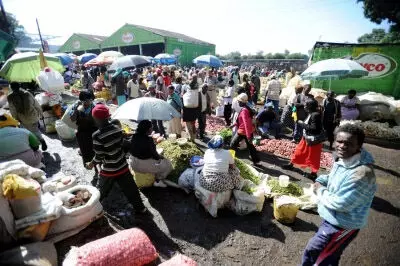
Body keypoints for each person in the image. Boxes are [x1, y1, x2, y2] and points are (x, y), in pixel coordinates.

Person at [302, 124, 376, 266]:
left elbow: (340, 204)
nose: (342, 146)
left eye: (348, 143)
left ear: (359, 146)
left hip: (343, 224)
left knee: (317, 253)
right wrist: (320, 180)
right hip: (333, 218)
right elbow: (332, 176)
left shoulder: (362, 174)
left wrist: (319, 190)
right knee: (328, 255)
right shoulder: (344, 158)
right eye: (339, 141)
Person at [86, 104, 147, 214]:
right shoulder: (117, 129)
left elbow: (99, 157)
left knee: (101, 191)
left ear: (96, 119)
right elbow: (122, 146)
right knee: (131, 190)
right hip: (122, 166)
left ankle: (92, 211)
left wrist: (91, 164)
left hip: (109, 170)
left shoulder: (96, 136)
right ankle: (141, 208)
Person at [283, 99, 323, 180]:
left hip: (313, 141)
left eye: (306, 105)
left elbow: (314, 128)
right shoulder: (311, 113)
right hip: (306, 138)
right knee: (298, 152)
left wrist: (301, 123)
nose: (304, 106)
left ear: (310, 106)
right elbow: (297, 105)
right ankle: (291, 165)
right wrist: (295, 108)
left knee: (313, 157)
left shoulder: (315, 115)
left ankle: (313, 174)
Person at [129, 120, 173, 187]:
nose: (152, 129)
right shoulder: (148, 140)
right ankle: (158, 180)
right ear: (148, 129)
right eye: (151, 128)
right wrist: (162, 157)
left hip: (133, 162)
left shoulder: (134, 136)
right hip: (143, 164)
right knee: (168, 164)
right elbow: (155, 156)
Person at [7, 82, 47, 151]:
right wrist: (41, 113)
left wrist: (16, 119)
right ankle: (41, 140)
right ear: (19, 86)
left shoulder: (10, 97)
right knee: (35, 130)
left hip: (22, 118)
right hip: (33, 115)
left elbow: (13, 110)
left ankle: (34, 145)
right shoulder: (27, 93)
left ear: (11, 88)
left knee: (27, 132)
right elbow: (36, 104)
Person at [230, 93, 260, 165]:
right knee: (251, 147)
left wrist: (248, 136)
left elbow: (246, 124)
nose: (238, 102)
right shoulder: (247, 109)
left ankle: (230, 160)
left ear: (242, 102)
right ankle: (256, 161)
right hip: (248, 131)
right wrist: (234, 125)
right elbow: (243, 121)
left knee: (232, 144)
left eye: (239, 101)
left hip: (243, 131)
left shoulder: (244, 111)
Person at [70, 90, 97, 166]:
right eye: (85, 101)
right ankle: (87, 164)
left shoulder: (94, 106)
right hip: (82, 132)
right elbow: (72, 119)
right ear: (81, 100)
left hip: (93, 131)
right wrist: (76, 109)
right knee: (84, 150)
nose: (88, 103)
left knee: (94, 150)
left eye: (90, 100)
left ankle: (96, 167)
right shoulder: (76, 106)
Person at [182, 77, 200, 141]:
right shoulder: (196, 92)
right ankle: (193, 137)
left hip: (187, 110)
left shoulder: (187, 92)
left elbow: (183, 97)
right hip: (193, 110)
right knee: (193, 124)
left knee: (189, 124)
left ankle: (191, 137)